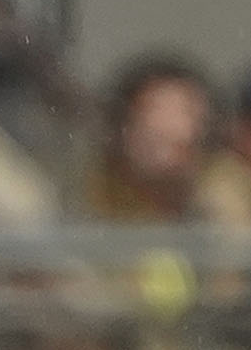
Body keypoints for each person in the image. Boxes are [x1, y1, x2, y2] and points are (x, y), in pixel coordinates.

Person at [83, 53, 251, 226]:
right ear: (124, 129)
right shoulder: (91, 194)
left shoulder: (229, 191)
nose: (176, 128)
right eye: (155, 110)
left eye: (187, 112)